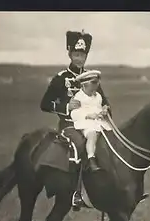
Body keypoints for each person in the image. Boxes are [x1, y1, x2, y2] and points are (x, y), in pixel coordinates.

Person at [39, 30, 116, 210]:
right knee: (81, 146)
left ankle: (112, 189)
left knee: (109, 144)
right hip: (69, 125)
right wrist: (66, 107)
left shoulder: (91, 78)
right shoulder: (61, 79)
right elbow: (44, 104)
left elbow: (103, 101)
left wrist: (106, 109)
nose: (79, 58)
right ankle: (76, 192)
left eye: (82, 55)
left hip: (92, 122)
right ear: (70, 54)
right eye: (76, 54)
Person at [70, 70, 112, 172]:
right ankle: (91, 159)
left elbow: (98, 107)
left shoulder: (98, 96)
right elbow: (74, 114)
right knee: (92, 135)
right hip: (85, 123)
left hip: (99, 122)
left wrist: (103, 111)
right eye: (93, 84)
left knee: (110, 134)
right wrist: (88, 115)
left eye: (97, 83)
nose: (95, 87)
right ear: (84, 85)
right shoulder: (79, 97)